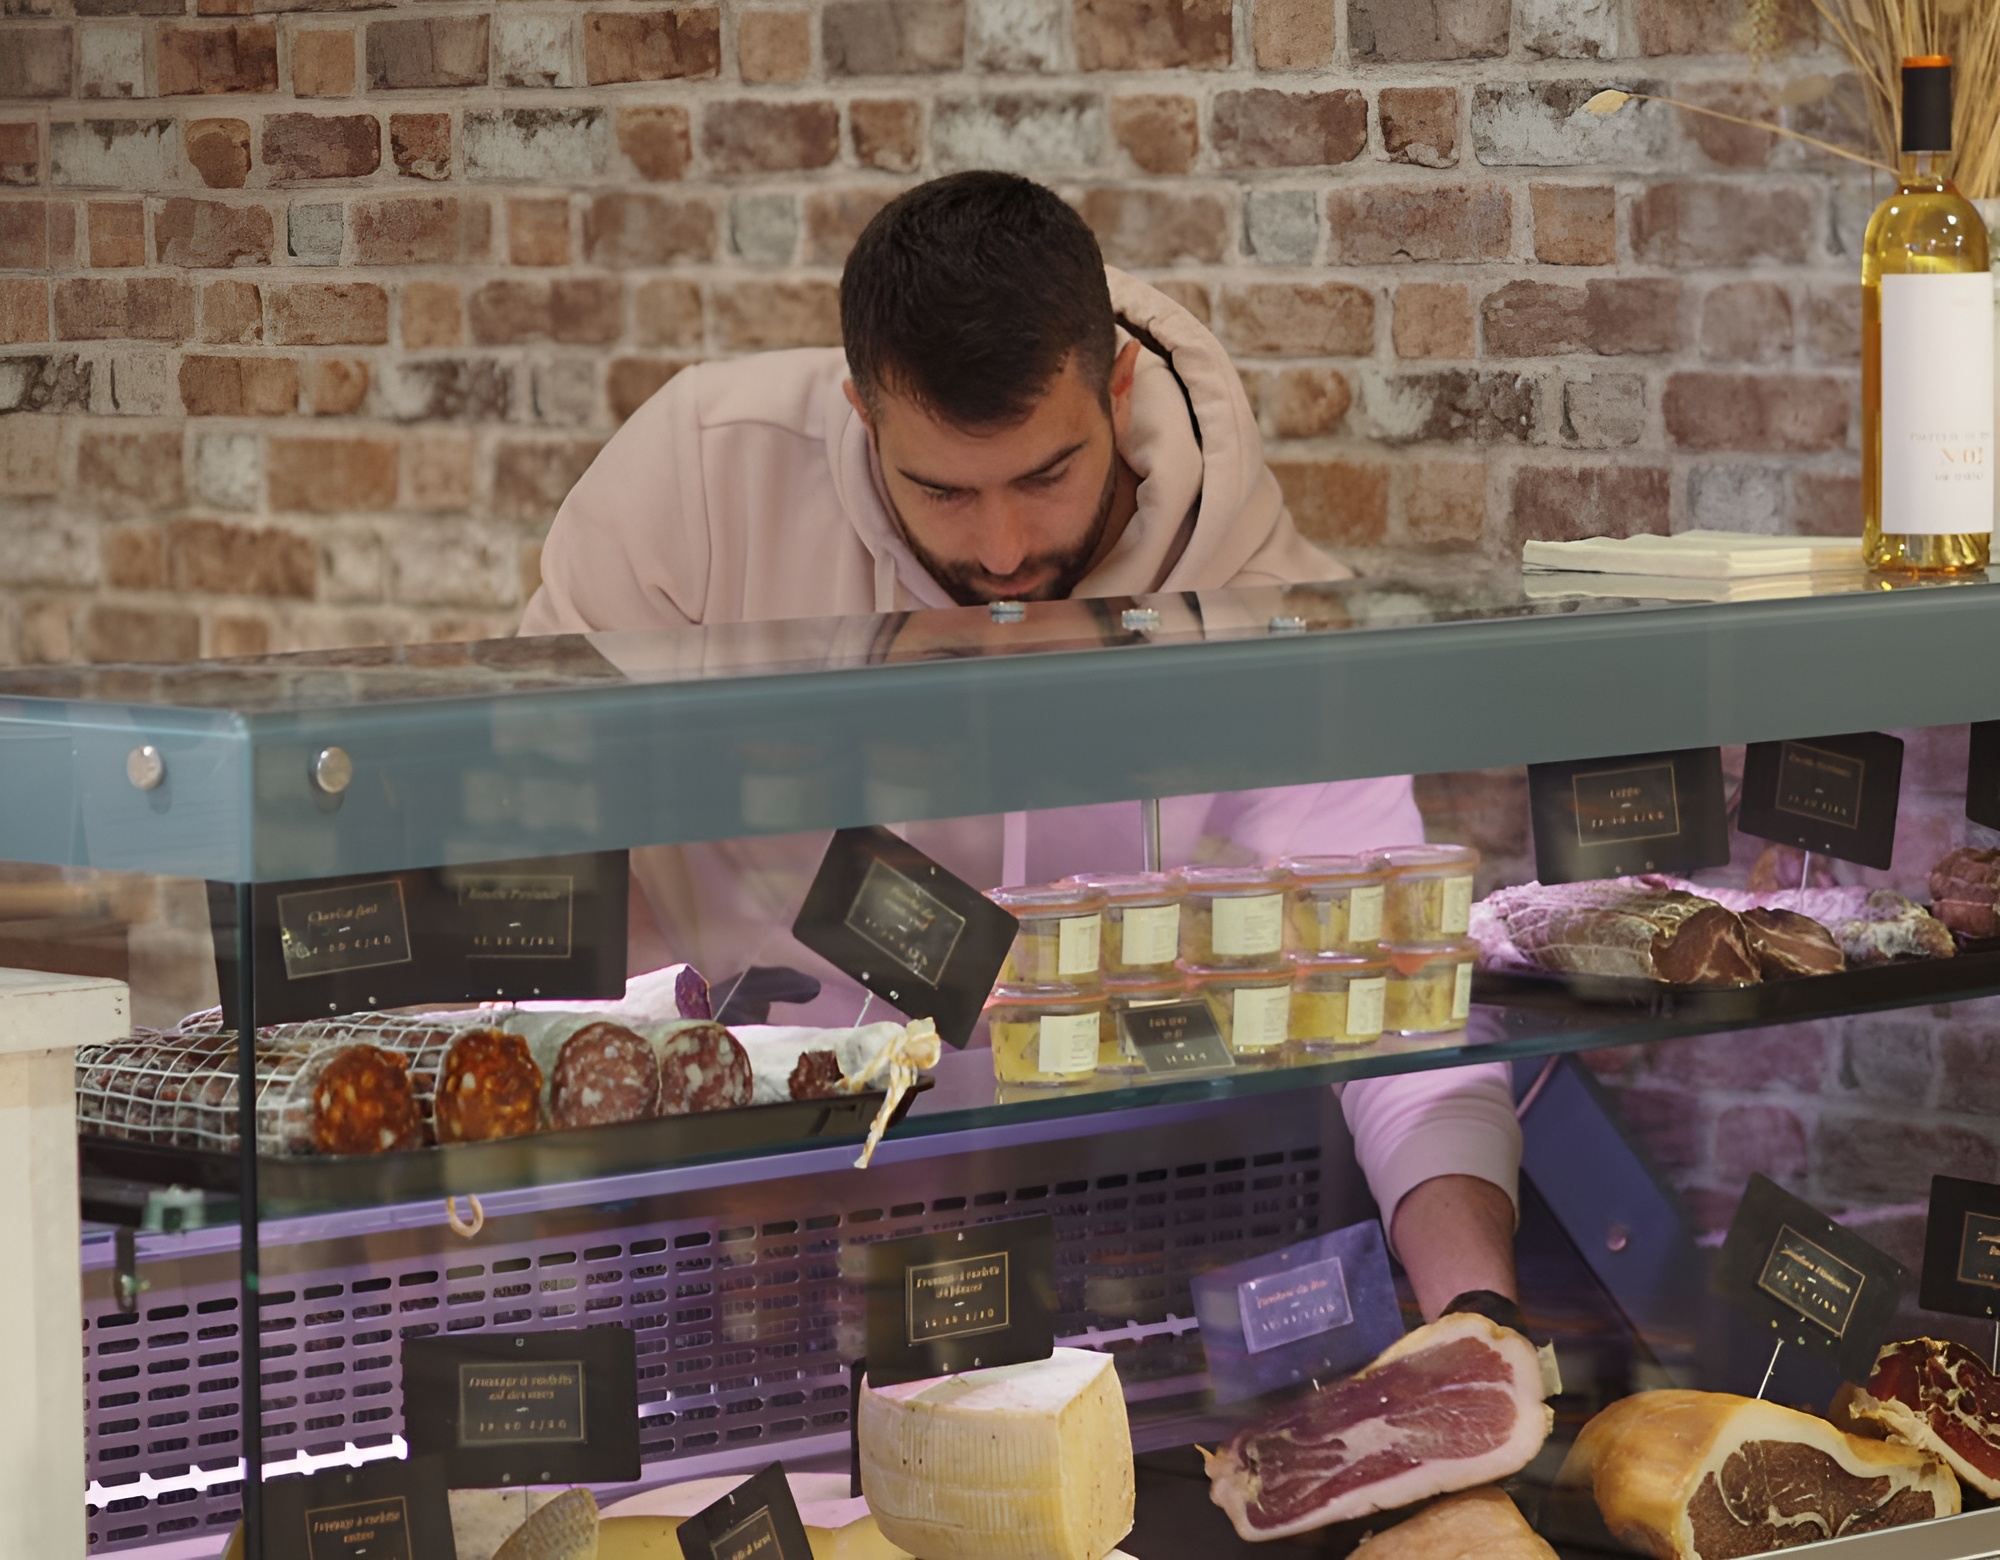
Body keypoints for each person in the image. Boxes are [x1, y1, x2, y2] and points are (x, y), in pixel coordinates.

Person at [521, 171, 1520, 1321]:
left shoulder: (1248, 591)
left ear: (1117, 387)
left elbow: (1393, 997)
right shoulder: (699, 483)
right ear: (861, 414)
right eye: (941, 491)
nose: (999, 548)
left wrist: (1473, 1312)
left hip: (1131, 1236)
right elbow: (529, 846)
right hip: (738, 1222)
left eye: (1045, 477)